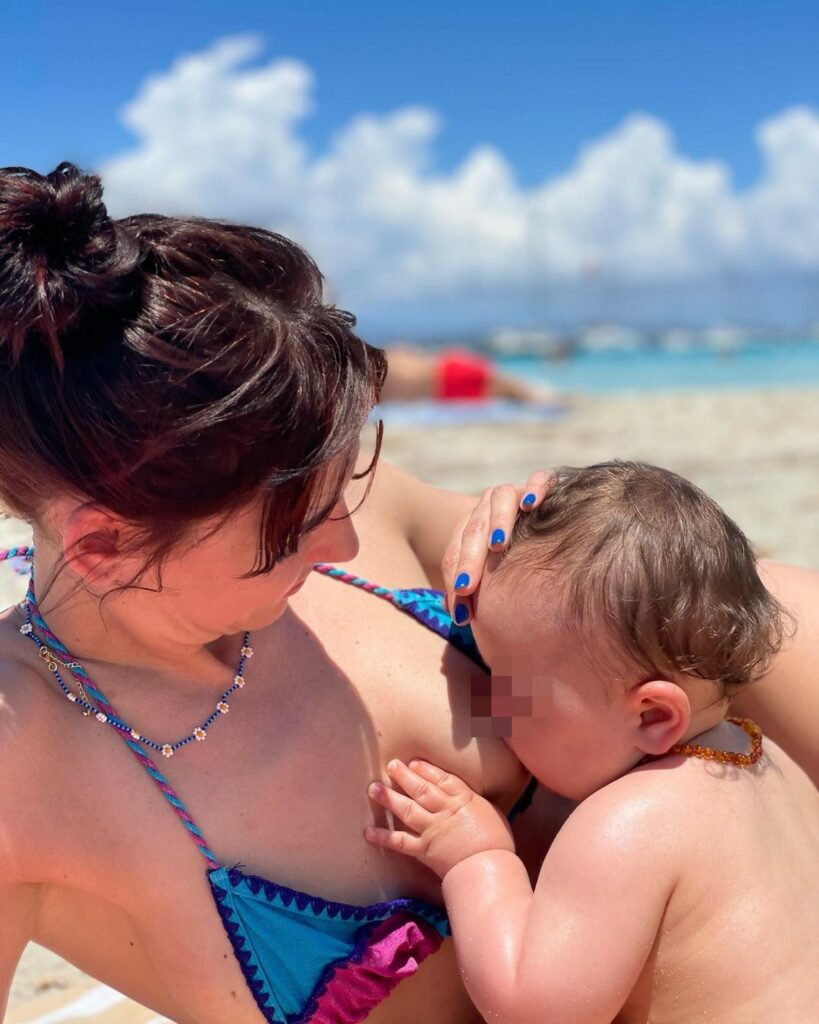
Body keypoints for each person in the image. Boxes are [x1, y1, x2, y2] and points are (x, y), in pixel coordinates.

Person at [0, 163, 817, 1024]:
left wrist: (581, 528)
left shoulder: (361, 522)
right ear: (102, 547)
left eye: (345, 481)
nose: (346, 540)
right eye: (294, 527)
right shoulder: (26, 767)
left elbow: (704, 592)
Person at [365, 462, 819, 1024]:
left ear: (653, 715)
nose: (488, 707)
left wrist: (477, 859)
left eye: (511, 689)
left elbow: (534, 1011)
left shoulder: (629, 824)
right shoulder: (766, 759)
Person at [379, 343, 564, 404]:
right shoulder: (388, 357)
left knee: (501, 385)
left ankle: (540, 395)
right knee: (501, 387)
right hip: (441, 382)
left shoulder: (387, 361)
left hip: (441, 378)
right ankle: (540, 395)